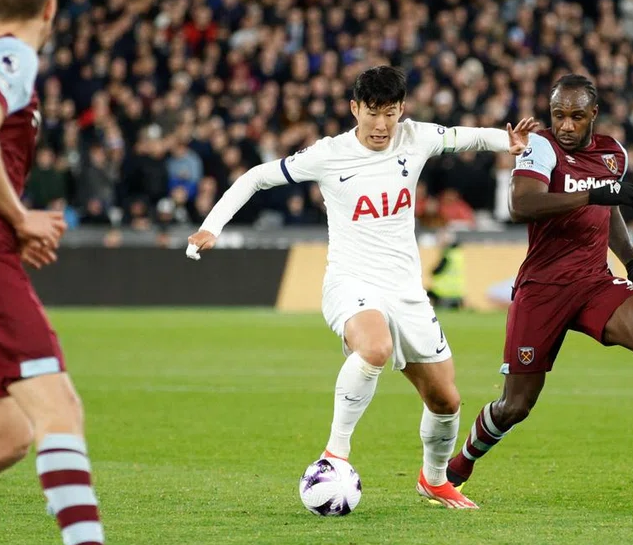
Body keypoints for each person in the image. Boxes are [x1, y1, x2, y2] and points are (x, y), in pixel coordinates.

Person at [187, 66, 536, 509]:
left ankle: (434, 480)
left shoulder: (416, 137)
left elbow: (465, 137)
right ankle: (335, 454)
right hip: (350, 280)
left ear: (401, 110)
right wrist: (210, 227)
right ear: (355, 109)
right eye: (372, 113)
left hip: (406, 289)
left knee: (446, 400)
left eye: (390, 113)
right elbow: (256, 176)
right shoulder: (329, 154)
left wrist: (507, 141)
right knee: (374, 347)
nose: (381, 125)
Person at [0, 0, 170, 545]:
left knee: (7, 435)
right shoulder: (10, 54)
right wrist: (15, 216)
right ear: (53, 9)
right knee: (59, 409)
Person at [446, 74, 633, 490]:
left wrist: (632, 261)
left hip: (594, 282)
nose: (566, 125)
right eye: (558, 115)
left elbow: (611, 213)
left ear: (593, 114)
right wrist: (593, 195)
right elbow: (523, 204)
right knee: (515, 406)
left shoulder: (613, 153)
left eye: (575, 116)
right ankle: (457, 468)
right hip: (543, 289)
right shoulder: (540, 146)